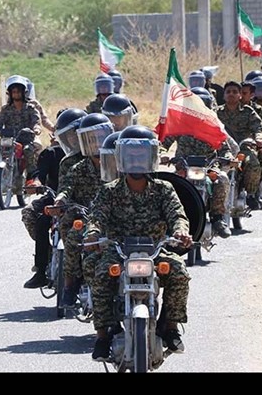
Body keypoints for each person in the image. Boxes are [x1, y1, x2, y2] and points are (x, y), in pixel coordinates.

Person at [83, 126, 193, 360]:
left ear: (150, 158)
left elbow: (177, 215)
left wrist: (181, 232)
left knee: (179, 273)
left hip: (155, 250)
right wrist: (92, 234)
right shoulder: (109, 191)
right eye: (130, 155)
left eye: (141, 155)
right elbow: (96, 217)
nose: (136, 161)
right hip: (119, 251)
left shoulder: (163, 189)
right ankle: (103, 335)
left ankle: (170, 327)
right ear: (121, 158)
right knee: (100, 274)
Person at [54, 113, 115, 306]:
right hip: (87, 216)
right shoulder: (78, 167)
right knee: (73, 236)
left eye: (101, 137)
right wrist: (60, 199)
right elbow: (66, 187)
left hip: (116, 217)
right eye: (91, 139)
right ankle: (70, 283)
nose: (97, 143)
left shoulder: (119, 163)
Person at [160, 87, 233, 238]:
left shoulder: (214, 127)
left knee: (222, 179)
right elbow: (163, 143)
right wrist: (162, 154)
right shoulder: (180, 125)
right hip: (183, 167)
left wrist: (227, 158)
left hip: (209, 167)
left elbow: (225, 149)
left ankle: (217, 217)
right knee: (168, 186)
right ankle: (168, 220)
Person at [20, 119, 66, 289]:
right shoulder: (50, 153)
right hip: (54, 197)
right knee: (35, 217)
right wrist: (36, 184)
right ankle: (42, 266)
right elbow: (39, 175)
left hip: (80, 200)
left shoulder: (88, 153)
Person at [0, 76, 41, 190]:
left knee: (28, 150)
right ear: (10, 94)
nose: (16, 94)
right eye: (14, 92)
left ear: (23, 93)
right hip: (9, 138)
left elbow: (36, 122)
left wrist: (36, 129)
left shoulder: (31, 108)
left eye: (18, 91)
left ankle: (30, 178)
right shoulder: (6, 109)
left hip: (26, 138)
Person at [217, 81, 262, 211]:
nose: (231, 94)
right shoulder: (216, 112)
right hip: (222, 148)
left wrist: (259, 138)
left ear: (240, 95)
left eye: (235, 92)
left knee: (253, 164)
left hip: (243, 147)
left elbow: (259, 128)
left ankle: (251, 194)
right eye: (228, 92)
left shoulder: (248, 111)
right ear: (224, 95)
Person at [53, 108, 88, 182]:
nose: (73, 138)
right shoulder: (67, 162)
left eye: (75, 133)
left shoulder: (98, 156)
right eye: (69, 134)